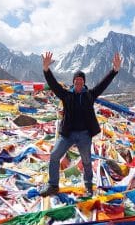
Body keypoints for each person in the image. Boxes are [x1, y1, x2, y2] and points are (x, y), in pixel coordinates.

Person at [40, 51, 122, 197]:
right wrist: (46, 69)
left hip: (84, 134)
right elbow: (53, 85)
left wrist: (114, 71)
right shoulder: (66, 95)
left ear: (84, 83)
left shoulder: (89, 95)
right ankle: (53, 185)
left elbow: (103, 84)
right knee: (54, 156)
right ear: (73, 82)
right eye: (76, 80)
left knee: (86, 161)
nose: (78, 83)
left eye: (81, 81)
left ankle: (88, 186)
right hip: (68, 134)